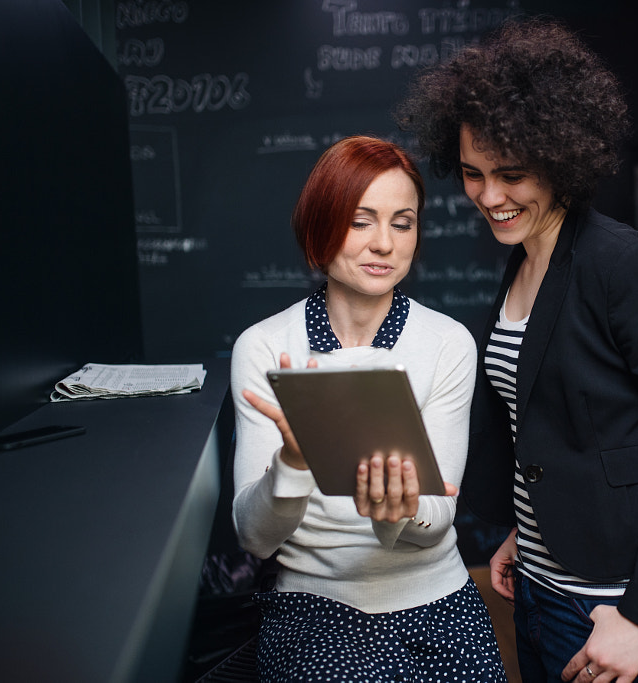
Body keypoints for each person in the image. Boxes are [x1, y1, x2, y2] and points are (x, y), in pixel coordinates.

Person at [397, 18, 638, 683]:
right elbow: (561, 425)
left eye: (511, 174)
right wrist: (531, 529)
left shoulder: (626, 267)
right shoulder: (525, 263)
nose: (490, 196)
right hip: (539, 584)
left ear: (558, 156)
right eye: (472, 173)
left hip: (614, 604)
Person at [230, 135, 507, 682]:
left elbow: (437, 519)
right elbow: (255, 538)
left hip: (439, 604)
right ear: (320, 227)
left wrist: (396, 508)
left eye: (402, 223)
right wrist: (293, 461)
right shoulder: (265, 346)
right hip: (316, 608)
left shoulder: (447, 342)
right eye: (361, 221)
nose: (384, 243)